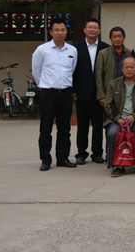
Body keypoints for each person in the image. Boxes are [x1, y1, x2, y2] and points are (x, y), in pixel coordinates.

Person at [32, 18, 78, 171]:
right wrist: (43, 86)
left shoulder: (72, 50)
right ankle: (45, 159)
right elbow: (36, 71)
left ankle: (62, 158)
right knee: (45, 129)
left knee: (64, 129)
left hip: (66, 94)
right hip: (48, 94)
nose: (60, 33)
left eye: (63, 30)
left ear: (66, 31)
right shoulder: (42, 50)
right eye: (57, 30)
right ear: (51, 32)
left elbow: (72, 70)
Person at [104, 57, 135, 177]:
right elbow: (108, 104)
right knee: (112, 133)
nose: (129, 69)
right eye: (126, 67)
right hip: (118, 120)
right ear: (122, 69)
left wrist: (134, 116)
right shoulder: (113, 84)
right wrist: (118, 118)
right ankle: (118, 165)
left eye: (132, 67)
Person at [72, 18, 109, 165]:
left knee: (98, 126)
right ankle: (81, 154)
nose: (92, 30)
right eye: (90, 27)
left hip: (100, 94)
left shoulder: (106, 48)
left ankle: (97, 153)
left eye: (95, 27)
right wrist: (73, 90)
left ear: (99, 31)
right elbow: (72, 70)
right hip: (81, 93)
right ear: (84, 30)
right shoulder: (75, 48)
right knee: (82, 126)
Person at [95, 27, 131, 107]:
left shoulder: (129, 53)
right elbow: (99, 76)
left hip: (126, 93)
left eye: (119, 36)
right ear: (110, 38)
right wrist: (101, 96)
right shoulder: (103, 54)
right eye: (114, 37)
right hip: (109, 94)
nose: (117, 39)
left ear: (124, 37)